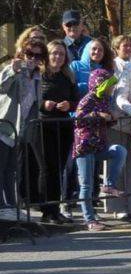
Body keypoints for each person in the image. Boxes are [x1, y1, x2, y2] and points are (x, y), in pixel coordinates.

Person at [72, 69, 126, 231]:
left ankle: (109, 184)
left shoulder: (105, 100)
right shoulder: (87, 99)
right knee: (86, 185)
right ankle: (89, 220)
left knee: (119, 150)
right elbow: (78, 118)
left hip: (99, 146)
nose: (112, 88)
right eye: (109, 85)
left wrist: (111, 118)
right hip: (85, 147)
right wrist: (98, 115)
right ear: (100, 85)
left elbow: (106, 120)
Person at [0, 35, 44, 220]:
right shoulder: (11, 69)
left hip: (20, 130)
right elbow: (1, 87)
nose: (32, 59)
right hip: (4, 126)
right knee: (1, 168)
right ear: (21, 53)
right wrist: (12, 70)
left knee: (11, 169)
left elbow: (35, 104)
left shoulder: (36, 77)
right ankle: (2, 205)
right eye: (29, 54)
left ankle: (11, 205)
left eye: (37, 56)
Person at [33, 40, 77, 223]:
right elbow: (32, 100)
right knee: (47, 169)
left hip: (63, 126)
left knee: (58, 168)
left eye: (61, 54)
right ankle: (47, 210)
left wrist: (69, 105)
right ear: (47, 55)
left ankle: (56, 209)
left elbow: (76, 100)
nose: (57, 57)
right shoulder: (39, 75)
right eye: (54, 53)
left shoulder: (68, 76)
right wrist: (44, 104)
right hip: (43, 126)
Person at [106, 35, 131, 220]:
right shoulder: (113, 66)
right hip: (117, 122)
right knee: (117, 166)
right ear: (116, 48)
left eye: (130, 45)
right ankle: (117, 206)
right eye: (124, 45)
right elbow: (119, 95)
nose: (128, 48)